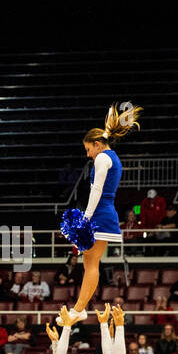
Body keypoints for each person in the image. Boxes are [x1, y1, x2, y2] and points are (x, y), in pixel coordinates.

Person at [58, 103, 141, 327]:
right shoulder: (112, 157)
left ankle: (79, 309)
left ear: (97, 144)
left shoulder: (103, 158)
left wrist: (86, 218)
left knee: (92, 263)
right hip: (103, 212)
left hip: (101, 214)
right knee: (89, 262)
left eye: (88, 149)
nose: (88, 154)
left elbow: (96, 190)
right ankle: (79, 309)